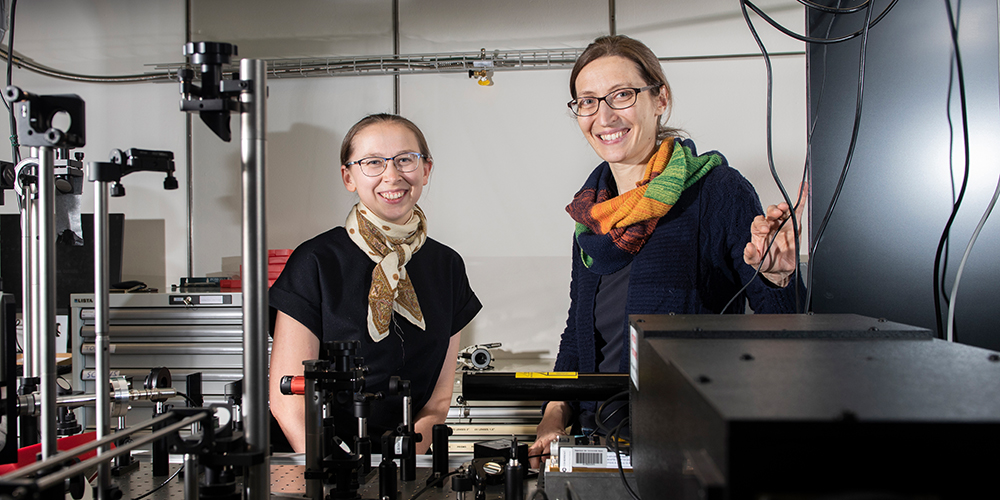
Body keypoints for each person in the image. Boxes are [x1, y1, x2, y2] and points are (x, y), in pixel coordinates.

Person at [528, 35, 804, 467]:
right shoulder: (592, 217)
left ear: (660, 99)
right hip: (596, 439)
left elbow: (782, 330)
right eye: (587, 101)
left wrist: (776, 276)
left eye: (621, 95)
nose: (604, 116)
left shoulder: (719, 192)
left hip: (689, 446)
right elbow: (576, 337)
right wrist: (553, 412)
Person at [268, 113, 482, 454]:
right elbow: (289, 402)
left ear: (426, 170)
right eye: (372, 162)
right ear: (348, 176)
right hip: (317, 460)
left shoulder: (447, 266)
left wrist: (399, 467)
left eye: (405, 160)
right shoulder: (315, 262)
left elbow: (438, 401)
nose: (392, 175)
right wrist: (335, 476)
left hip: (407, 461)